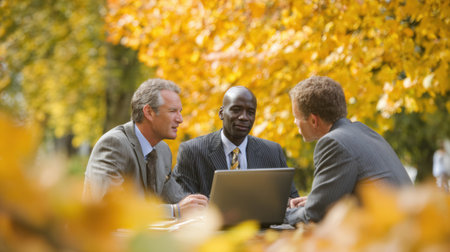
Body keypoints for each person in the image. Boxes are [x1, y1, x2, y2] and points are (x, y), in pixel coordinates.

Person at [286, 76, 412, 225]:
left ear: (314, 120)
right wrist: (315, 199)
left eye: (296, 117)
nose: (295, 122)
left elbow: (314, 216)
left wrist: (283, 213)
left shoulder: (333, 143)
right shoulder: (364, 132)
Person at [83, 78, 208, 218]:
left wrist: (203, 206)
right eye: (173, 111)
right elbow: (111, 206)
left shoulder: (163, 150)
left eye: (180, 111)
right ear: (149, 112)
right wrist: (174, 211)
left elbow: (176, 197)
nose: (180, 119)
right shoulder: (113, 144)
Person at [172, 86, 299, 199]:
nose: (244, 117)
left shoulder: (272, 152)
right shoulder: (192, 151)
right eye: (236, 110)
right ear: (221, 113)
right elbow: (184, 203)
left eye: (250, 112)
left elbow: (292, 200)